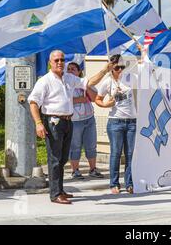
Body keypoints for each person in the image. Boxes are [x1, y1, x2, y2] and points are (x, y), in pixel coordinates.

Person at [28, 50, 112, 205]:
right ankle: (55, 194)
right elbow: (33, 102)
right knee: (54, 159)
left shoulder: (69, 78)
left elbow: (89, 83)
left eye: (62, 60)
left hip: (68, 121)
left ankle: (60, 190)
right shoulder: (44, 81)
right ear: (50, 62)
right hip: (53, 122)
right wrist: (38, 123)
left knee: (63, 158)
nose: (60, 63)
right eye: (57, 60)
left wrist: (105, 70)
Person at [95, 54, 137, 195]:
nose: (120, 70)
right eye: (117, 67)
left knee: (131, 154)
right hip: (115, 121)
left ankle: (129, 183)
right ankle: (114, 183)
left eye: (122, 67)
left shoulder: (132, 78)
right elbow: (98, 99)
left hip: (132, 121)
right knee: (116, 153)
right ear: (111, 67)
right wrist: (106, 104)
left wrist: (143, 55)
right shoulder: (107, 82)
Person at [66, 62, 104, 180]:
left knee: (91, 145)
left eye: (73, 69)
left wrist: (86, 87)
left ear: (79, 72)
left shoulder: (86, 83)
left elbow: (94, 98)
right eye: (69, 69)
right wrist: (80, 99)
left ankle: (93, 169)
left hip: (89, 119)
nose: (70, 71)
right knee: (75, 146)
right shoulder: (66, 85)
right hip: (75, 120)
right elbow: (65, 101)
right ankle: (75, 170)